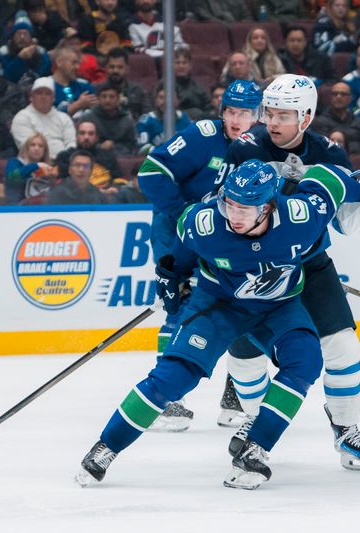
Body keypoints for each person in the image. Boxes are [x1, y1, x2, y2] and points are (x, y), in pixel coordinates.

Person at [75, 151, 360, 489]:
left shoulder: (302, 214)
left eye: (244, 209)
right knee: (174, 377)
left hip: (278, 306)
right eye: (230, 205)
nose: (234, 215)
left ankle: (255, 450)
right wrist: (170, 277)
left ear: (268, 207)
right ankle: (106, 447)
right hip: (219, 305)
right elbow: (179, 257)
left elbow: (332, 180)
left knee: (307, 359)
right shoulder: (204, 222)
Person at [220, 74, 360, 472]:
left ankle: (346, 432)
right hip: (251, 267)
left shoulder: (329, 155)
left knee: (343, 345)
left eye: (283, 115)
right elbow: (226, 210)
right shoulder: (244, 149)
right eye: (269, 112)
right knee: (243, 353)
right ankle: (255, 421)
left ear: (306, 117)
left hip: (309, 263)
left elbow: (347, 224)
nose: (272, 122)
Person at [137, 79, 263, 430]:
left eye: (246, 113)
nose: (237, 120)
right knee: (180, 302)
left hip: (226, 237)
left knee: (246, 304)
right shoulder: (204, 135)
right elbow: (151, 173)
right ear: (222, 111)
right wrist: (184, 217)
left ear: (259, 116)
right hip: (178, 233)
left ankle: (235, 393)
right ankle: (166, 399)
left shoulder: (262, 145)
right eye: (231, 111)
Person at [10, 76, 76, 159]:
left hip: (64, 164)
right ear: (31, 97)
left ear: (53, 98)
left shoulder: (64, 118)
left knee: (96, 171)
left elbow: (71, 143)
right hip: (34, 165)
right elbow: (28, 148)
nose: (43, 96)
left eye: (47, 93)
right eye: (39, 93)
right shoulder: (22, 117)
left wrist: (64, 160)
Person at [55, 120, 124, 195]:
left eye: (91, 134)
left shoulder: (108, 156)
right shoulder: (65, 157)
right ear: (76, 136)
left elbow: (119, 180)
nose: (86, 137)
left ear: (97, 137)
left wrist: (114, 188)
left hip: (104, 200)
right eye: (82, 133)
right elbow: (61, 184)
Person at [81, 82, 138, 156]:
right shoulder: (88, 118)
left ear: (118, 99)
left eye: (111, 97)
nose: (107, 100)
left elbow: (132, 145)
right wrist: (100, 147)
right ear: (98, 99)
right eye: (104, 96)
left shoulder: (126, 119)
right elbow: (82, 142)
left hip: (122, 158)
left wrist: (114, 147)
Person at [311, 81, 360, 154]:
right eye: (335, 94)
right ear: (330, 97)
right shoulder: (318, 123)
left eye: (343, 94)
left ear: (350, 98)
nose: (339, 97)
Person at [0, 10, 53, 86]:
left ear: (31, 38)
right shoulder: (4, 53)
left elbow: (46, 74)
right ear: (12, 37)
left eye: (25, 34)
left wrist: (34, 55)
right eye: (18, 34)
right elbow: (6, 77)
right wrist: (20, 59)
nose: (22, 37)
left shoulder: (41, 52)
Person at [136, 86, 193, 154]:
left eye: (170, 98)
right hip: (157, 162)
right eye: (161, 98)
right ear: (156, 100)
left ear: (178, 101)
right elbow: (143, 148)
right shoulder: (146, 121)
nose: (165, 102)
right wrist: (163, 154)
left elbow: (193, 143)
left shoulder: (185, 119)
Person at [101, 47, 152, 122]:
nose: (115, 70)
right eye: (112, 67)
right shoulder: (98, 90)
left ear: (127, 69)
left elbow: (148, 115)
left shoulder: (138, 90)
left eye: (120, 67)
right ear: (106, 68)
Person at [4, 132, 56, 204]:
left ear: (44, 151)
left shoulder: (48, 167)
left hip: (43, 208)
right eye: (32, 145)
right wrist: (35, 166)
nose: (36, 148)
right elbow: (11, 176)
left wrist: (52, 178)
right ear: (26, 148)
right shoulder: (14, 162)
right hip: (18, 208)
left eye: (40, 146)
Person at [51, 46, 97, 117]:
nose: (77, 67)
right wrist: (78, 105)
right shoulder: (45, 85)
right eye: (74, 63)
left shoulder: (84, 85)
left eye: (78, 63)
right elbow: (47, 118)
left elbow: (96, 113)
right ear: (59, 62)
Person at [173, 47, 215, 121]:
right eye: (177, 62)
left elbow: (209, 109)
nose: (181, 66)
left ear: (190, 66)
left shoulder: (198, 87)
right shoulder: (163, 86)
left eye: (184, 63)